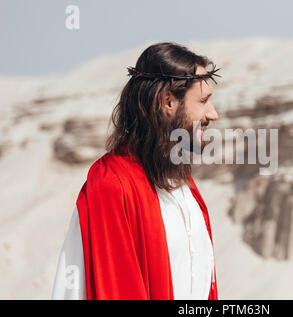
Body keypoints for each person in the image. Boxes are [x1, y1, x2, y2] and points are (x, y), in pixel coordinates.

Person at [51, 42, 221, 300]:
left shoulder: (185, 186)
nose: (213, 114)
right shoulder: (110, 186)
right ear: (168, 102)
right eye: (204, 101)